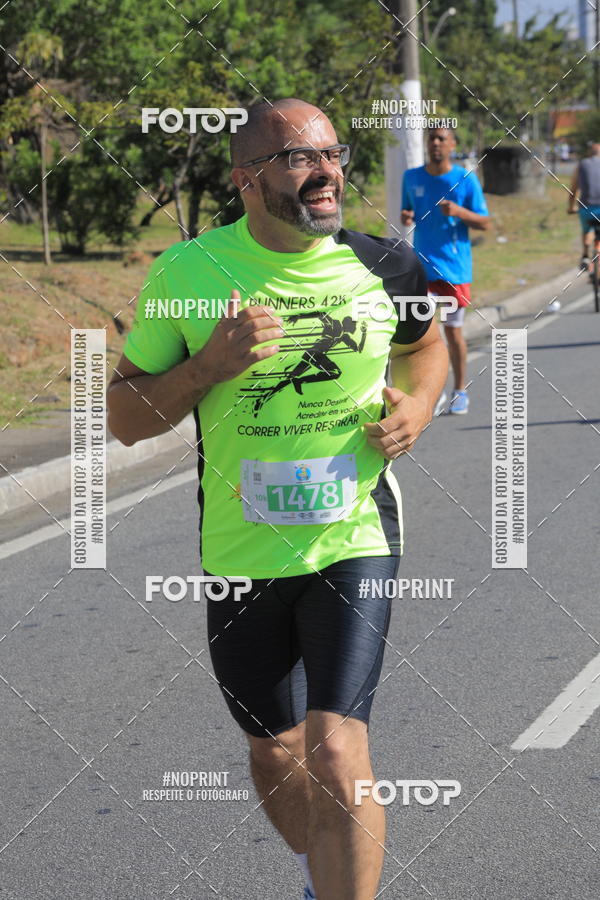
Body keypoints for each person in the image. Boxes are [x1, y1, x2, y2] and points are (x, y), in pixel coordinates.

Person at [107, 98, 448, 900]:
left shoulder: (386, 265)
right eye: (299, 158)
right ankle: (322, 870)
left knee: (336, 750)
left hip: (353, 534)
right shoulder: (189, 275)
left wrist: (420, 406)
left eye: (332, 155)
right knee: (274, 750)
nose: (326, 171)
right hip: (240, 551)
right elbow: (124, 420)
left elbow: (426, 345)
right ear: (247, 181)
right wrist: (203, 369)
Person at [401, 126, 490, 415]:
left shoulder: (465, 179)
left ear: (452, 144)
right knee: (418, 334)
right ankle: (425, 393)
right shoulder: (411, 177)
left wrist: (459, 212)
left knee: (453, 333)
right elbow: (408, 209)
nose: (436, 143)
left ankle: (460, 390)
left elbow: (485, 222)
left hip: (454, 271)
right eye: (432, 138)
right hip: (421, 269)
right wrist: (406, 215)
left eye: (442, 139)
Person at [568, 141, 600, 271]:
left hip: (586, 209)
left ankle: (586, 256)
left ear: (588, 153)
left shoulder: (581, 165)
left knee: (586, 230)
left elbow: (573, 190)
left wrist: (571, 208)